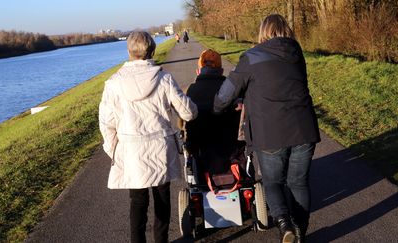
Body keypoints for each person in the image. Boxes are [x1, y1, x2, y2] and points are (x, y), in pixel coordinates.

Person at [214, 14, 320, 243]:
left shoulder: (251, 58)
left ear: (263, 32)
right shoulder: (296, 53)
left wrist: (220, 107)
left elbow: (225, 95)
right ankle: (300, 232)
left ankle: (284, 224)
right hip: (304, 129)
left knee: (273, 182)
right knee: (299, 183)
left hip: (271, 132)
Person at [99, 31, 197, 243]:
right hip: (160, 147)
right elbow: (187, 112)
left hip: (132, 149)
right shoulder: (163, 79)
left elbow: (107, 123)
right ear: (151, 50)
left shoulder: (113, 83)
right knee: (162, 198)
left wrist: (114, 149)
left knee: (137, 201)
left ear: (129, 51)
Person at [183, 49, 240, 181]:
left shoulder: (192, 89)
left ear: (200, 69)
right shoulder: (229, 88)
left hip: (200, 146)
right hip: (228, 145)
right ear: (220, 69)